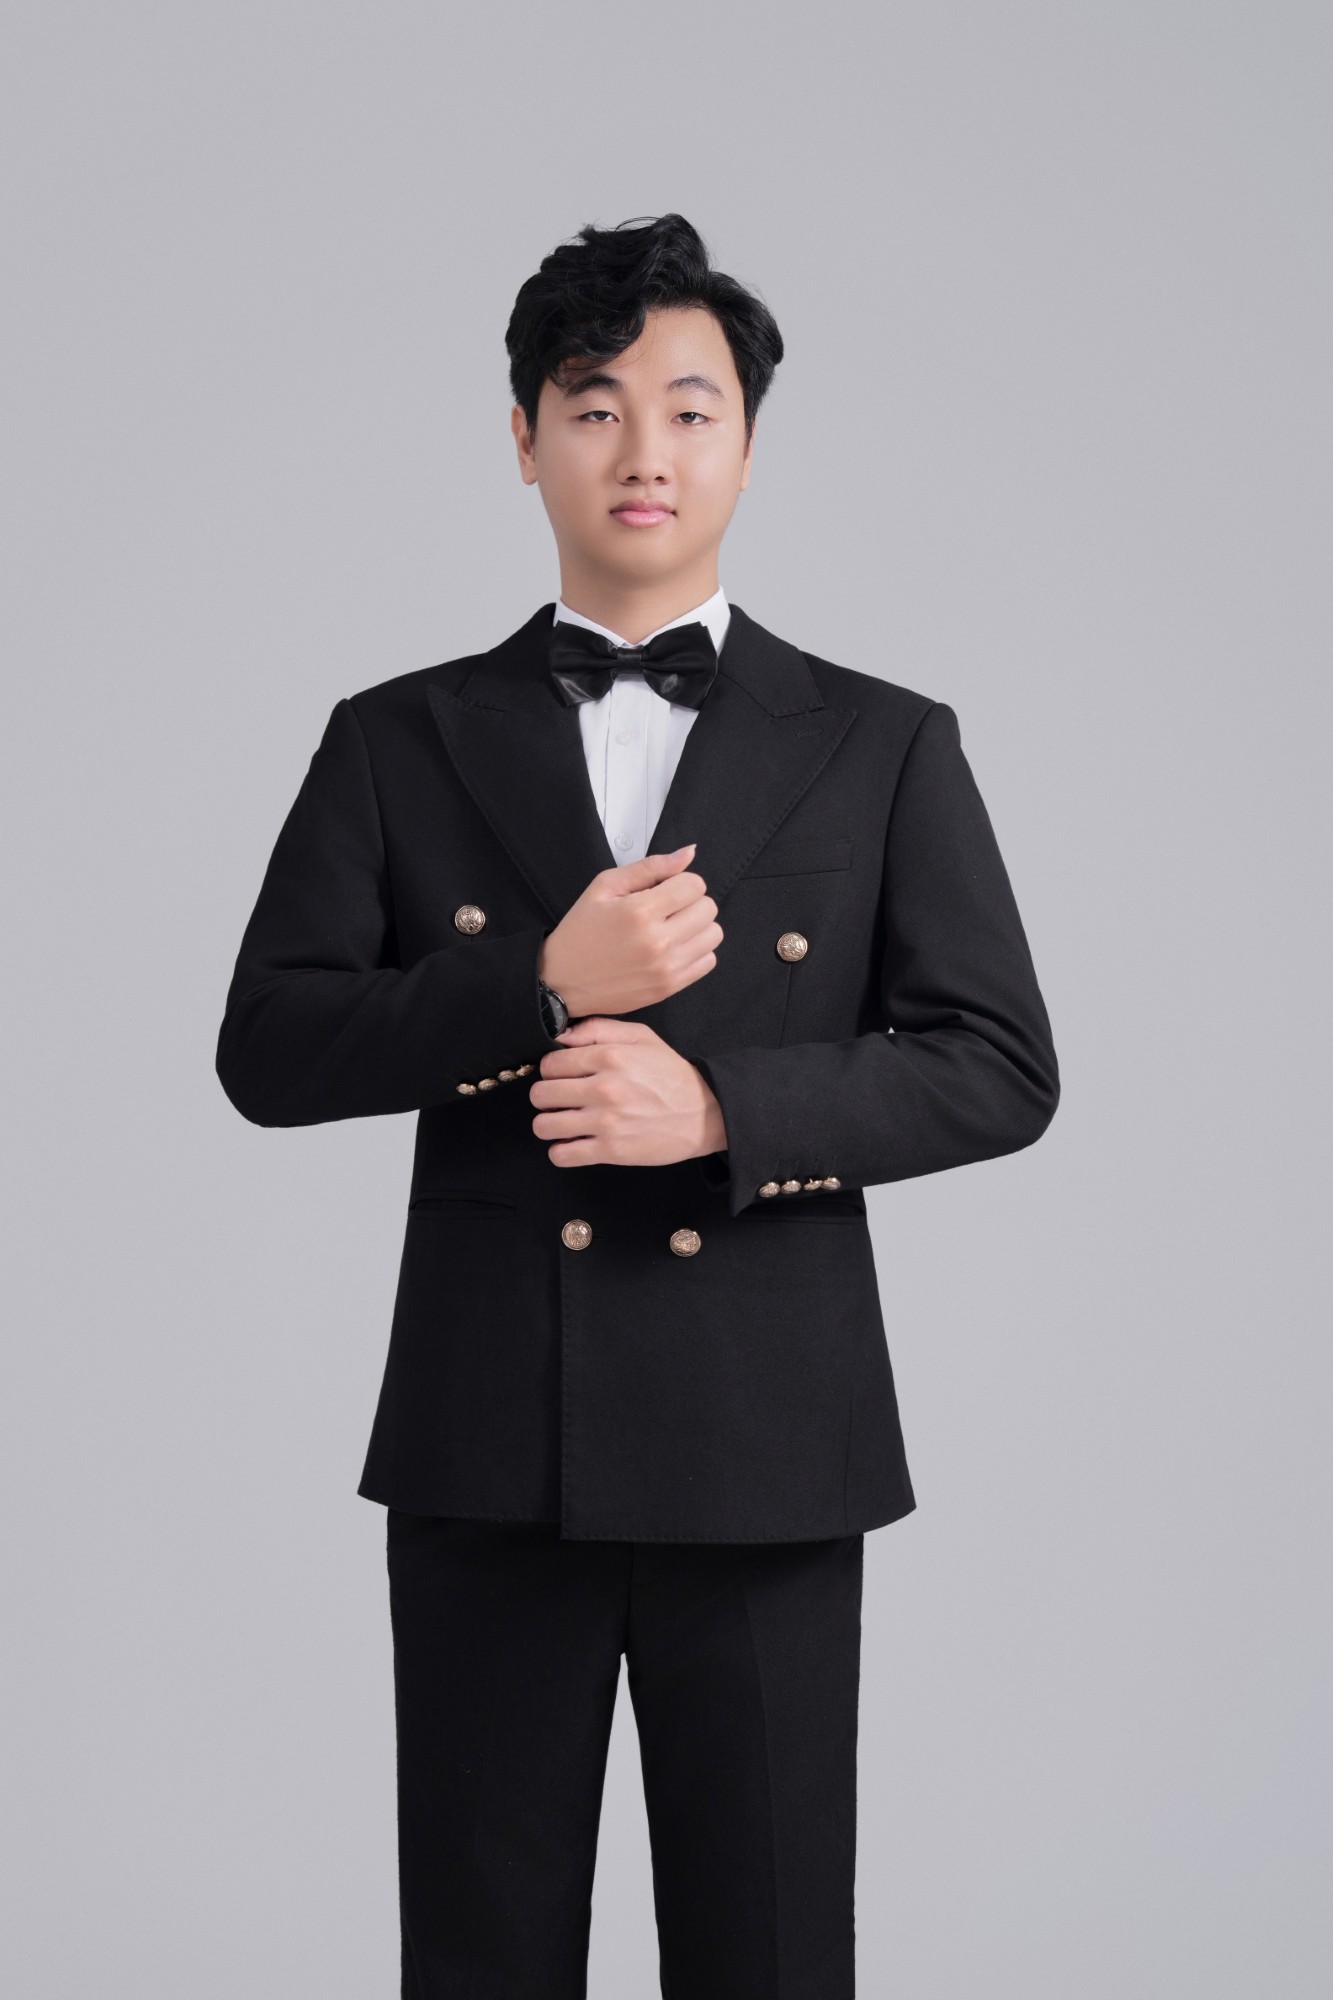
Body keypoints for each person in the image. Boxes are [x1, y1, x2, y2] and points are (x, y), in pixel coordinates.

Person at [215, 211, 1059, 1999]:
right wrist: (537, 984)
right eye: (594, 407)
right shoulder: (395, 736)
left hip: (766, 1441)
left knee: (769, 1956)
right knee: (481, 1956)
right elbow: (268, 1052)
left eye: (689, 408)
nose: (643, 450)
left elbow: (997, 1060)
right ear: (523, 440)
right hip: (485, 1440)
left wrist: (723, 1114)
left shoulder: (882, 741)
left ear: (747, 442)